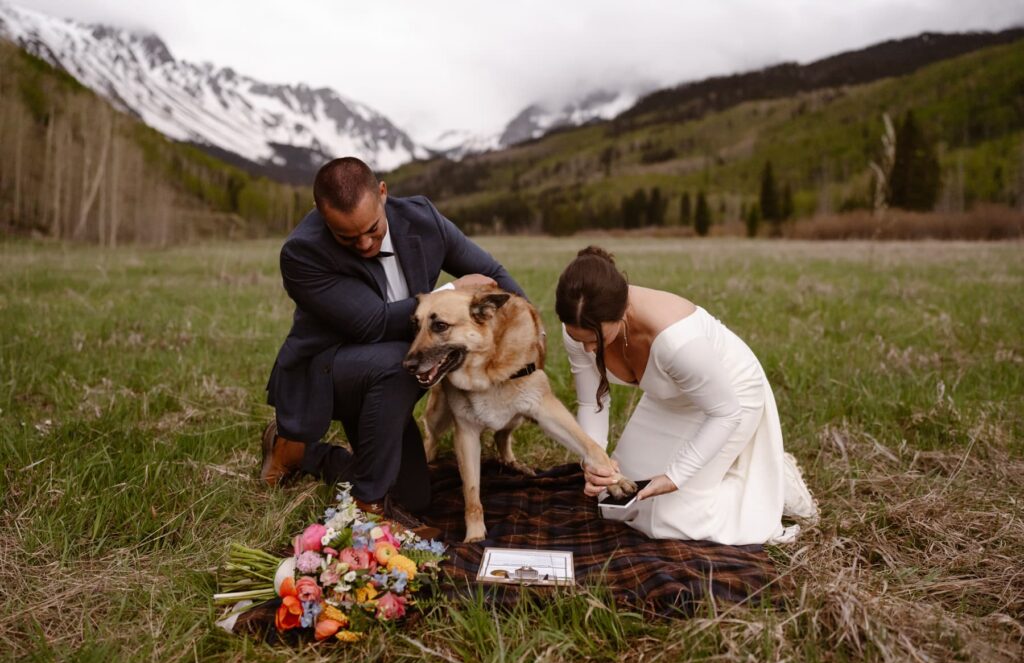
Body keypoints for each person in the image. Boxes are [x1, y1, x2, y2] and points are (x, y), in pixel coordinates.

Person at [261, 157, 525, 520]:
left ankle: (300, 454)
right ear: (320, 214)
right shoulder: (301, 253)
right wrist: (448, 292)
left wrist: (528, 328)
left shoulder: (422, 218)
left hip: (388, 378)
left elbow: (491, 273)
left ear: (382, 193)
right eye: (347, 238)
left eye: (373, 229)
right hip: (328, 371)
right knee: (400, 360)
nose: (366, 243)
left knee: (414, 499)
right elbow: (372, 323)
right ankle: (368, 507)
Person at [556, 246, 817, 545]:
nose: (588, 350)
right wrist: (595, 458)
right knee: (618, 497)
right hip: (668, 397)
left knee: (669, 519)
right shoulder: (580, 326)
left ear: (622, 312)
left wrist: (675, 477)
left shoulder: (677, 341)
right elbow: (592, 402)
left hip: (730, 399)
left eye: (595, 341)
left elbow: (725, 412)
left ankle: (774, 481)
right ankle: (726, 467)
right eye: (580, 340)